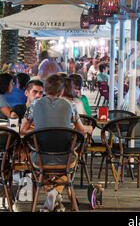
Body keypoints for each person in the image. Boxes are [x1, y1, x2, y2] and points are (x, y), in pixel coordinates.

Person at [20, 74, 92, 212]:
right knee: (72, 159)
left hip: (39, 158)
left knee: (41, 165)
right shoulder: (70, 105)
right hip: (65, 158)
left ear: (45, 90)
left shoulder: (34, 104)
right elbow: (81, 131)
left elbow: (22, 130)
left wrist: (40, 130)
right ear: (62, 91)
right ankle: (56, 194)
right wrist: (89, 128)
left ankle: (52, 196)